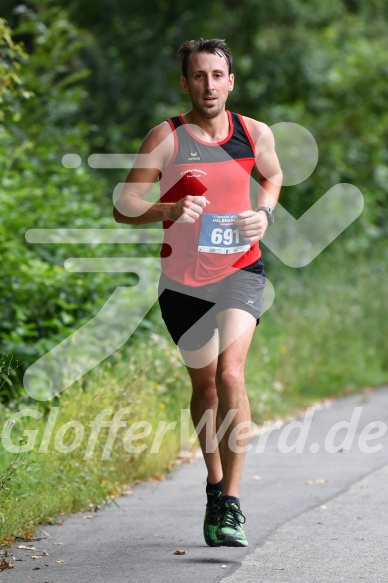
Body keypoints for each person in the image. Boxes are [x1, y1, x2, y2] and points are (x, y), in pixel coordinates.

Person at [114, 38, 282, 547]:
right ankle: (213, 485)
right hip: (183, 283)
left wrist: (265, 213)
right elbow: (124, 202)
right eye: (199, 76)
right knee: (205, 387)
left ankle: (231, 502)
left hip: (241, 271)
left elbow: (272, 176)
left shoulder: (254, 133)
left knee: (231, 374)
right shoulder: (166, 138)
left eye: (217, 75)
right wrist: (165, 210)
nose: (209, 85)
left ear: (231, 81)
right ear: (185, 83)